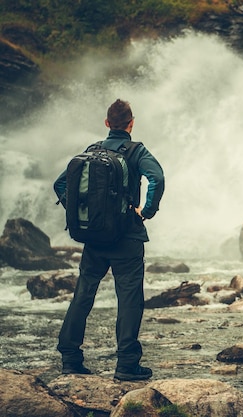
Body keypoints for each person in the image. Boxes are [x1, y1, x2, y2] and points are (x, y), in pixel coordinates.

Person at [53, 99, 165, 381]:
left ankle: (70, 357)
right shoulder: (136, 151)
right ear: (131, 123)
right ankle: (127, 364)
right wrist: (146, 211)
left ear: (106, 124)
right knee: (129, 299)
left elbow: (60, 184)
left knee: (83, 294)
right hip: (127, 237)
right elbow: (157, 178)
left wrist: (80, 211)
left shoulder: (92, 151)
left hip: (94, 237)